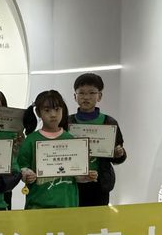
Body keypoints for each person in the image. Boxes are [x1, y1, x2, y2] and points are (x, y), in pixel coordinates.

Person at [19, 90, 97, 209]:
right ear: (38, 113)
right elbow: (21, 167)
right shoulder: (30, 140)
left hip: (67, 204)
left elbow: (76, 173)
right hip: (38, 205)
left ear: (62, 110)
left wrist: (86, 176)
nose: (53, 114)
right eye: (47, 110)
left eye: (57, 109)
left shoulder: (71, 139)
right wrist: (27, 175)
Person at [68, 73, 126, 207]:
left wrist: (118, 154)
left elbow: (118, 155)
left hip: (100, 184)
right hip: (73, 183)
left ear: (99, 96)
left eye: (91, 93)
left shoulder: (109, 122)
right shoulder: (67, 122)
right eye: (81, 93)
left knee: (98, 218)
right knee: (73, 218)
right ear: (75, 96)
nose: (86, 97)